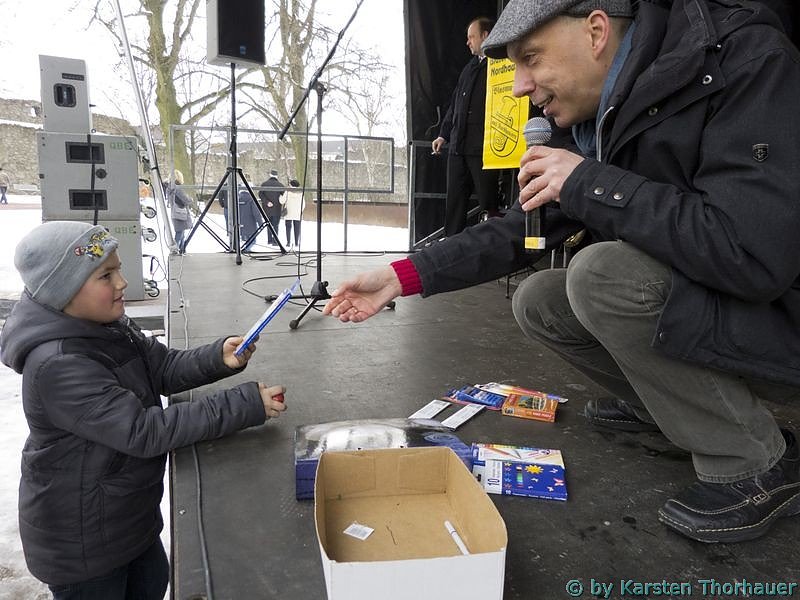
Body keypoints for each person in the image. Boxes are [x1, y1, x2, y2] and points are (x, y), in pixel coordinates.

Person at [323, 0, 800, 544]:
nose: (519, 87)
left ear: (596, 32)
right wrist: (400, 276)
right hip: (712, 311)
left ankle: (755, 461)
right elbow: (519, 231)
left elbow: (753, 255)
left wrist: (591, 183)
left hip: (779, 321)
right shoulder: (602, 114)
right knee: (542, 299)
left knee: (600, 274)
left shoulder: (745, 60)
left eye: (531, 58)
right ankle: (670, 410)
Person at [0, 221, 287, 599]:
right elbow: (142, 430)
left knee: (153, 582)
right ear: (64, 289)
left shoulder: (106, 326)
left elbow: (161, 367)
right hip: (84, 546)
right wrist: (243, 404)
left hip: (127, 520)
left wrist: (217, 357)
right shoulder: (59, 363)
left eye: (118, 269)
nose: (122, 282)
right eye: (106, 275)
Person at [432, 17, 502, 236]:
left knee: (488, 201)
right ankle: (451, 245)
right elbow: (455, 104)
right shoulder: (468, 68)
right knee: (454, 201)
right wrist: (443, 134)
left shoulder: (501, 66)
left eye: (472, 37)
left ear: (485, 35)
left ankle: (492, 244)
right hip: (458, 146)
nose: (468, 42)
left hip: (483, 147)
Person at [167, 169, 193, 253]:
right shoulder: (177, 187)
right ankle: (176, 249)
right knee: (180, 233)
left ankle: (181, 250)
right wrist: (191, 199)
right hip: (180, 213)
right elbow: (186, 199)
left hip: (175, 212)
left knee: (181, 232)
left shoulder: (170, 187)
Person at [258, 169, 285, 246]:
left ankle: (269, 240)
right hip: (277, 209)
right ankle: (275, 241)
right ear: (277, 176)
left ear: (270, 175)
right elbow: (284, 197)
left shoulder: (264, 184)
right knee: (276, 225)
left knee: (268, 225)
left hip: (267, 209)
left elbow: (260, 195)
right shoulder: (280, 185)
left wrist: (267, 202)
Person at [238, 181, 264, 253]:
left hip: (240, 224)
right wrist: (260, 223)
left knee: (244, 239)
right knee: (253, 240)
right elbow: (256, 213)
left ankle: (244, 250)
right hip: (250, 224)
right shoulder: (251, 199)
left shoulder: (237, 199)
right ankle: (246, 250)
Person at [281, 179, 304, 250]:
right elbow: (303, 204)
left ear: (291, 185)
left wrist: (280, 196)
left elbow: (282, 201)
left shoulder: (287, 192)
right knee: (297, 228)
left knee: (288, 227)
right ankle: (296, 242)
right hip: (297, 213)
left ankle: (288, 242)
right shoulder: (300, 193)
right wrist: (300, 210)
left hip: (288, 213)